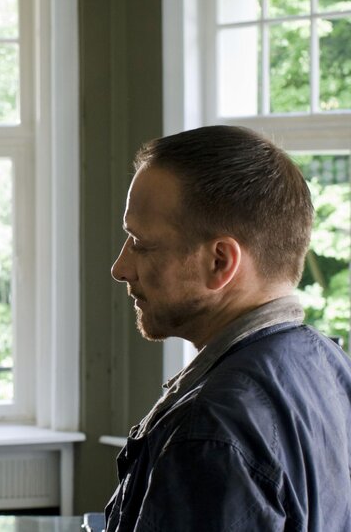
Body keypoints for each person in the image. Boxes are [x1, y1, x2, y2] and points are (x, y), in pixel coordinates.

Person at [106, 125, 351, 530]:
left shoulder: (210, 431)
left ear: (220, 261)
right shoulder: (331, 366)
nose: (120, 268)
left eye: (141, 244)